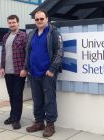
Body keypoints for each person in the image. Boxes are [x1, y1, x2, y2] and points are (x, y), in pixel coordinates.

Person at [25, 9, 63, 137]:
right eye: (37, 19)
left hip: (47, 74)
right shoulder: (32, 34)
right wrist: (27, 68)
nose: (39, 21)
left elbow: (59, 51)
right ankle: (39, 122)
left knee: (49, 100)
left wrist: (52, 70)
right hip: (34, 73)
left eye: (42, 18)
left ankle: (50, 125)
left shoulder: (53, 33)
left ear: (47, 19)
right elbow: (28, 53)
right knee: (37, 100)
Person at [0, 15, 27, 129]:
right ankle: (12, 116)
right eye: (10, 23)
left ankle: (16, 119)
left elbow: (27, 54)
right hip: (8, 72)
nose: (12, 24)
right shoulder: (5, 36)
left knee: (17, 95)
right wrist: (2, 67)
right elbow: (4, 53)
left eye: (14, 22)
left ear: (18, 23)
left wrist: (25, 68)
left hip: (19, 72)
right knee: (11, 95)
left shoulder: (23, 36)